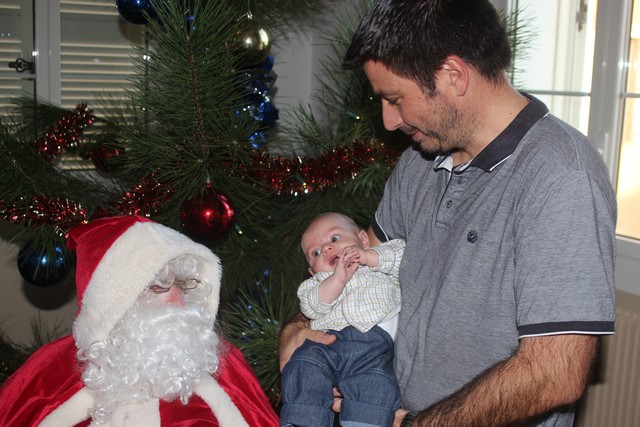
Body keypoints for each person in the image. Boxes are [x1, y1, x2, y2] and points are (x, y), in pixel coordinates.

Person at [278, 1, 617, 426]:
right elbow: (354, 267)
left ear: (453, 75)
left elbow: (555, 373)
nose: (388, 121)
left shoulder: (562, 176)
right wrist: (297, 328)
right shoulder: (419, 162)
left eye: (394, 99)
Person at [0, 215, 279, 427]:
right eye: (159, 285)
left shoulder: (226, 365)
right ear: (116, 301)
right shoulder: (50, 371)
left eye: (184, 284)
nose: (177, 300)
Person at [280, 212, 404, 427]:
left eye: (335, 238)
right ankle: (304, 419)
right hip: (329, 344)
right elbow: (312, 306)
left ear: (363, 239)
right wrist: (337, 279)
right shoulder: (317, 284)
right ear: (312, 271)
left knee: (376, 384)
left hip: (374, 349)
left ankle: (364, 422)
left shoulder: (379, 265)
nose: (327, 248)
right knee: (304, 363)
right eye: (316, 252)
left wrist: (368, 257)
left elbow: (403, 257)